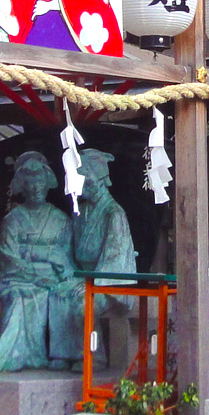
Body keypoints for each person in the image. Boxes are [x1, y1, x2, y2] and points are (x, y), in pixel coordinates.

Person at [0, 151, 86, 373]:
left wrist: (57, 271)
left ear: (47, 185)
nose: (35, 188)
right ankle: (17, 357)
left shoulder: (61, 220)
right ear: (22, 187)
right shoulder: (13, 220)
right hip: (18, 279)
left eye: (39, 182)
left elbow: (65, 257)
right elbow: (9, 258)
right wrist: (39, 271)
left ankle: (64, 354)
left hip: (54, 278)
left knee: (65, 294)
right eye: (30, 184)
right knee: (21, 296)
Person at [71, 148, 138, 367]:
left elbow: (115, 255)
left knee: (83, 303)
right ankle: (66, 356)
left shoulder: (113, 213)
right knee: (58, 295)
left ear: (97, 181)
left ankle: (94, 357)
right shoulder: (81, 212)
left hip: (109, 279)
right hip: (85, 275)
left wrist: (93, 282)